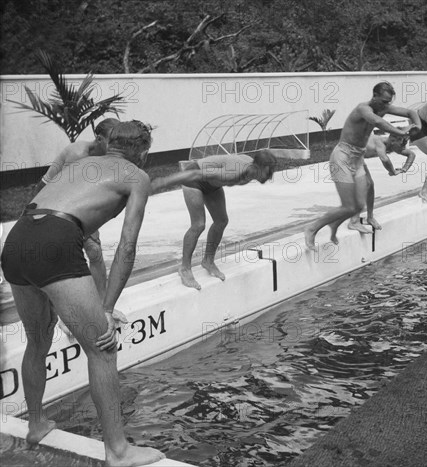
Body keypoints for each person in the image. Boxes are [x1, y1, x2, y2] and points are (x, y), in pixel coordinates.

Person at [0, 121, 165, 467]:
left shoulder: (80, 165)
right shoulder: (137, 176)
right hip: (55, 240)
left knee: (38, 340)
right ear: (144, 152)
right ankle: (118, 451)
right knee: (102, 348)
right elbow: (128, 247)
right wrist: (107, 307)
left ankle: (36, 424)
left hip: (17, 239)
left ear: (110, 143)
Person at [304, 81, 420, 251]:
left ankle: (334, 225)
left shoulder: (383, 108)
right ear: (374, 96)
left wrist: (417, 126)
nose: (387, 105)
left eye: (389, 102)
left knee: (358, 206)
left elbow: (411, 112)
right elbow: (377, 121)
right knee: (348, 206)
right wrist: (402, 132)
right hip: (342, 156)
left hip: (358, 159)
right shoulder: (363, 109)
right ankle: (312, 228)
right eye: (384, 101)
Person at [151, 150, 277, 290]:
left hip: (212, 185)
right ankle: (185, 268)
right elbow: (195, 174)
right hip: (194, 178)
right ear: (258, 168)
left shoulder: (250, 166)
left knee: (221, 221)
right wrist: (163, 182)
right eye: (268, 172)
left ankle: (208, 261)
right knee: (198, 225)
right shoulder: (234, 173)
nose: (270, 176)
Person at [33, 117, 121, 299]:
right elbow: (62, 193)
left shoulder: (107, 155)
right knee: (62, 258)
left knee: (95, 252)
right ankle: (62, 307)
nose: (116, 146)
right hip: (51, 203)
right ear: (99, 139)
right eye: (112, 141)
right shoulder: (78, 154)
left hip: (78, 207)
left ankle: (102, 302)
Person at [348, 132, 416, 231]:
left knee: (370, 185)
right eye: (401, 145)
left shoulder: (393, 145)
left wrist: (404, 169)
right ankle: (353, 222)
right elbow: (384, 159)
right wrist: (392, 171)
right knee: (363, 185)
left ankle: (370, 217)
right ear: (392, 141)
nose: (402, 148)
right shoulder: (380, 143)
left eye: (404, 145)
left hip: (358, 156)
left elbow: (411, 154)